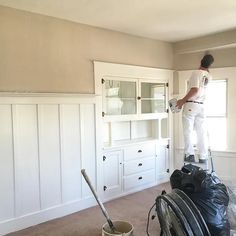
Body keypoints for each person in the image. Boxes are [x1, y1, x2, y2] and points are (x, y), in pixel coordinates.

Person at [176, 54, 214, 163]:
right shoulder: (208, 76)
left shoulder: (196, 73)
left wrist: (182, 101)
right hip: (202, 106)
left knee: (187, 130)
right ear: (210, 65)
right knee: (200, 131)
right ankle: (203, 156)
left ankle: (190, 154)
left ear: (201, 61)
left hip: (191, 105)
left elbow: (194, 90)